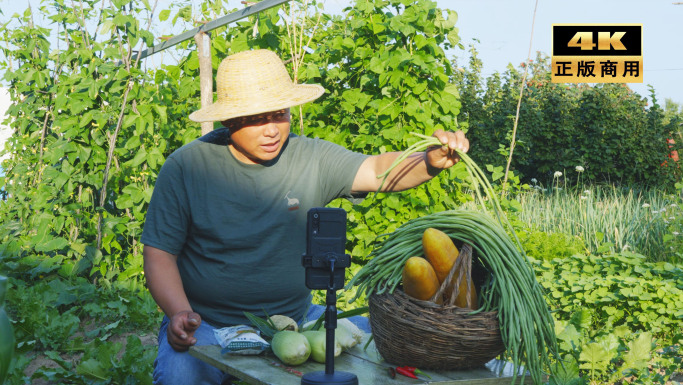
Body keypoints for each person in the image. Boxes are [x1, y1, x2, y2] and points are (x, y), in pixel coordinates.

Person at [141, 49, 469, 385]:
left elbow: (376, 170)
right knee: (179, 375)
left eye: (279, 114)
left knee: (380, 344)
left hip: (298, 319)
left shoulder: (310, 158)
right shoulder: (188, 168)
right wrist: (181, 313)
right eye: (257, 118)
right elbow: (159, 254)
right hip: (208, 323)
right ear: (230, 120)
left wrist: (429, 161)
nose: (272, 130)